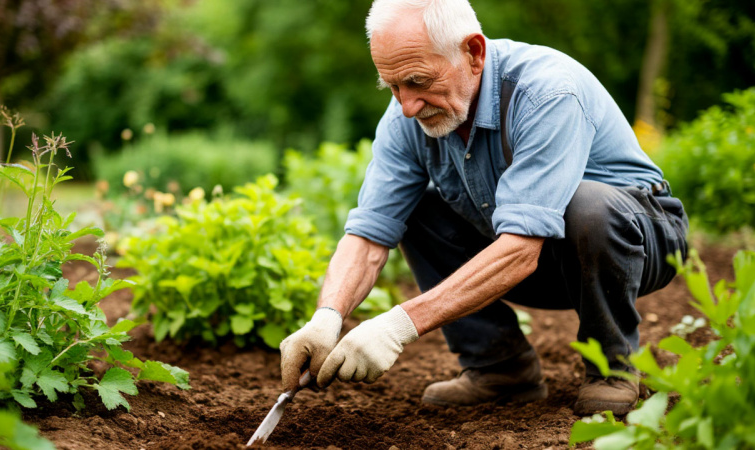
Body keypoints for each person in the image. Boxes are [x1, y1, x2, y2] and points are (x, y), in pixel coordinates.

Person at [279, 0, 688, 416]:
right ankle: (500, 369)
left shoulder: (546, 91)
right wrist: (327, 318)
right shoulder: (409, 116)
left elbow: (520, 249)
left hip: (638, 242)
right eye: (394, 87)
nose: (407, 106)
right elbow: (368, 234)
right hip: (537, 261)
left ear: (473, 53)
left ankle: (613, 367)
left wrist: (397, 326)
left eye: (418, 81)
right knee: (412, 208)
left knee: (589, 206)